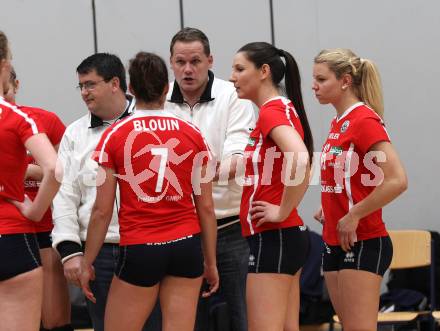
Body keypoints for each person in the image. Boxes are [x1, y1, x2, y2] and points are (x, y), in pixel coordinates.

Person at [79, 51, 219, 331]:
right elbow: (205, 206)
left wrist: (87, 262)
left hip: (141, 247)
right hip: (186, 246)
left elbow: (102, 210)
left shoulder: (114, 135)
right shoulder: (192, 132)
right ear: (167, 88)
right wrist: (211, 261)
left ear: (130, 89)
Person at [51, 53, 160, 331]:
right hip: (100, 254)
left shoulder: (154, 122)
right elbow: (64, 196)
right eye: (81, 86)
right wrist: (70, 251)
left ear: (115, 83)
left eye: (90, 84)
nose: (84, 93)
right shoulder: (75, 134)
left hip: (151, 247)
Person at [166, 27, 255, 331]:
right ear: (171, 62)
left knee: (245, 319)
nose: (188, 70)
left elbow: (238, 159)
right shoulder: (159, 100)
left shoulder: (234, 96)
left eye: (195, 61)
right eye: (180, 62)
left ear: (210, 60)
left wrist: (190, 174)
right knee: (187, 322)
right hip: (181, 231)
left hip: (229, 227)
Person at [312, 48, 408, 331]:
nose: (313, 86)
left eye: (321, 78)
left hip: (364, 240)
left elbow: (396, 180)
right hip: (334, 240)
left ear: (344, 80)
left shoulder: (364, 119)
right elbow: (352, 178)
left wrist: (353, 214)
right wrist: (331, 206)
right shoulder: (338, 122)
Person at [230, 42, 313, 331]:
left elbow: (301, 159)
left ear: (264, 71)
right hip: (283, 237)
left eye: (240, 69)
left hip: (273, 237)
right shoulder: (279, 109)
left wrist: (281, 210)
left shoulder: (271, 112)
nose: (232, 77)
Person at [0, 30, 60, 331]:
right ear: (5, 67)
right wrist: (36, 210)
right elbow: (56, 169)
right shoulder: (17, 117)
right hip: (11, 235)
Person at [5, 67, 72, 331]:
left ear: (17, 85)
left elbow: (65, 170)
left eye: (7, 92)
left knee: (55, 319)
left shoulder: (42, 120)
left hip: (43, 227)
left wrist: (21, 172)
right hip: (11, 228)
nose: (4, 98)